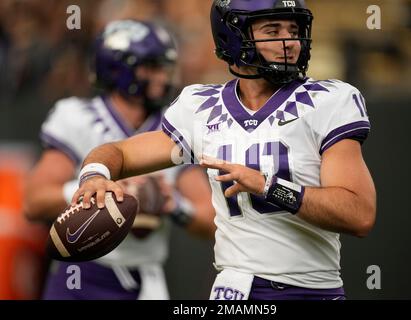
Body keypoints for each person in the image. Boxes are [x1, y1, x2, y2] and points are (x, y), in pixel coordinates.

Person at [72, 0, 376, 300]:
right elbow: (119, 153)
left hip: (311, 291)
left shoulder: (329, 100)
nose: (290, 42)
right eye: (273, 30)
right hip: (234, 289)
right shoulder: (200, 106)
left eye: (294, 29)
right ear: (235, 36)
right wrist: (95, 176)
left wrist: (267, 186)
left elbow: (358, 215)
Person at [24, 19, 215, 300]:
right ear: (117, 68)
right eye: (152, 67)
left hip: (144, 279)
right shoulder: (77, 117)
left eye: (165, 68)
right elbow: (34, 201)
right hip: (82, 276)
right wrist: (97, 193)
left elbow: (211, 220)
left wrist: (173, 204)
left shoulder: (173, 126)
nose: (163, 77)